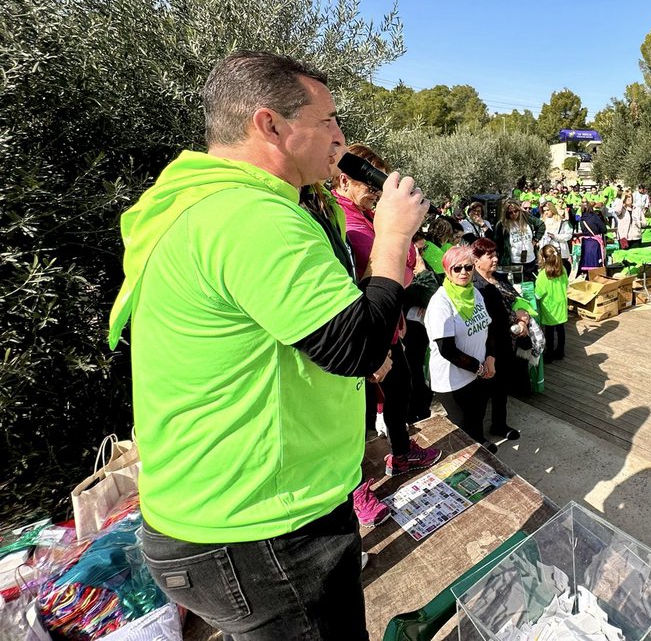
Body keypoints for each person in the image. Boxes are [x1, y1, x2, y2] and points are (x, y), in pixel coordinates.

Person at [110, 51, 428, 640]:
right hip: (260, 529)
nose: (340, 136)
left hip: (216, 518)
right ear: (270, 125)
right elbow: (356, 347)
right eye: (328, 120)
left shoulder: (196, 202)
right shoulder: (249, 218)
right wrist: (392, 236)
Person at [331, 144, 440, 507]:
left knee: (401, 390)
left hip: (386, 326)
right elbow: (386, 276)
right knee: (357, 419)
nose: (376, 194)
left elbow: (399, 271)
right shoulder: (347, 223)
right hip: (361, 334)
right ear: (344, 179)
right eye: (369, 185)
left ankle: (402, 452)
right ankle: (358, 491)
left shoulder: (364, 217)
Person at [427, 246, 500, 451]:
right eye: (456, 268)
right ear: (447, 270)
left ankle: (481, 446)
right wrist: (479, 368)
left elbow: (487, 326)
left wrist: (491, 358)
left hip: (478, 371)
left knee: (477, 416)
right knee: (463, 426)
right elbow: (446, 349)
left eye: (468, 267)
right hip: (453, 378)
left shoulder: (474, 292)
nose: (463, 272)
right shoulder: (441, 303)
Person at [471, 238, 526, 435]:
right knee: (483, 389)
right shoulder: (473, 283)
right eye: (490, 256)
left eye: (495, 255)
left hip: (507, 338)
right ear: (476, 260)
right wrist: (515, 318)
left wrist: (523, 320)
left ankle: (499, 424)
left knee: (502, 385)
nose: (495, 259)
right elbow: (487, 314)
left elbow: (518, 301)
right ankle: (476, 435)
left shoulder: (500, 277)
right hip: (485, 341)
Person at [495, 198, 545, 283]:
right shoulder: (502, 225)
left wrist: (536, 239)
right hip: (514, 261)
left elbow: (541, 225)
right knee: (518, 286)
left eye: (516, 211)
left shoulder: (526, 217)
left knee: (531, 285)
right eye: (510, 212)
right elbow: (498, 244)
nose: (514, 214)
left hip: (530, 259)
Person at [535, 244, 570, 361]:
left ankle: (549, 355)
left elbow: (538, 294)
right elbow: (566, 285)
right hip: (561, 304)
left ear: (544, 259)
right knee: (561, 329)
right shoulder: (563, 269)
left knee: (549, 331)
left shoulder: (543, 275)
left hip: (549, 306)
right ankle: (560, 352)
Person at [539, 200, 575, 273]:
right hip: (546, 251)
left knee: (562, 272)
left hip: (560, 250)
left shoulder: (561, 221)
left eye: (548, 210)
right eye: (544, 211)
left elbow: (568, 235)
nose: (546, 212)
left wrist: (556, 236)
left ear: (552, 209)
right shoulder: (541, 222)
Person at [577, 200, 607, 271]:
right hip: (595, 242)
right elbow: (604, 229)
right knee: (596, 262)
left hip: (586, 242)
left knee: (586, 262)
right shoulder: (595, 217)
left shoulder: (582, 219)